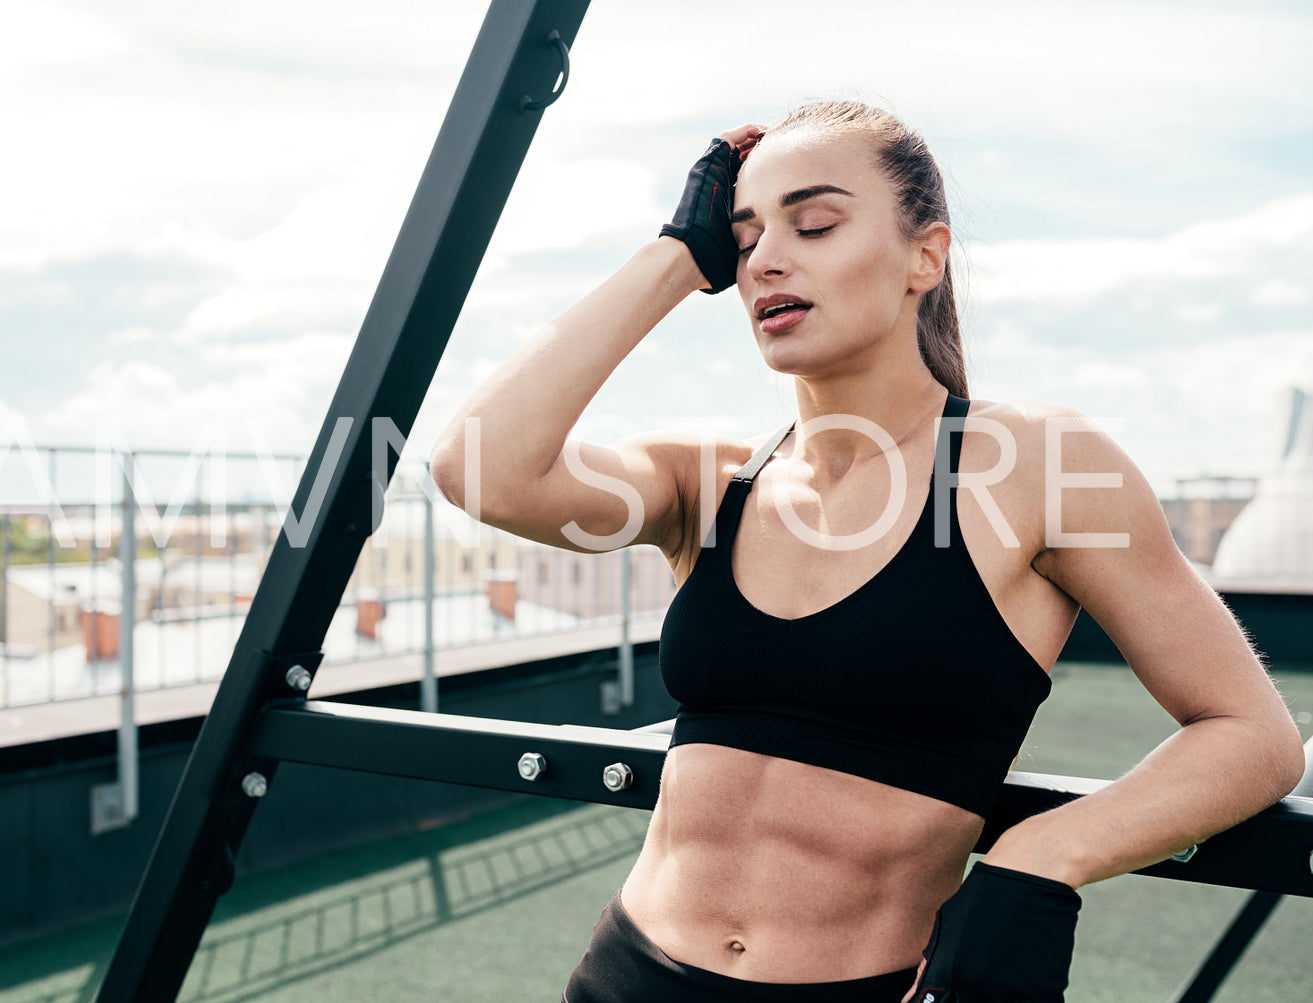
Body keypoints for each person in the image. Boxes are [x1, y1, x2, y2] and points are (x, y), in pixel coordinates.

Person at [430, 100, 1305, 1002]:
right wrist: (672, 256)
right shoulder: (708, 482)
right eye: (741, 237)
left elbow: (1252, 736)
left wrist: (1046, 848)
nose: (765, 257)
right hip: (626, 976)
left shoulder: (1036, 467)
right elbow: (478, 470)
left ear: (925, 255)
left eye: (812, 224)